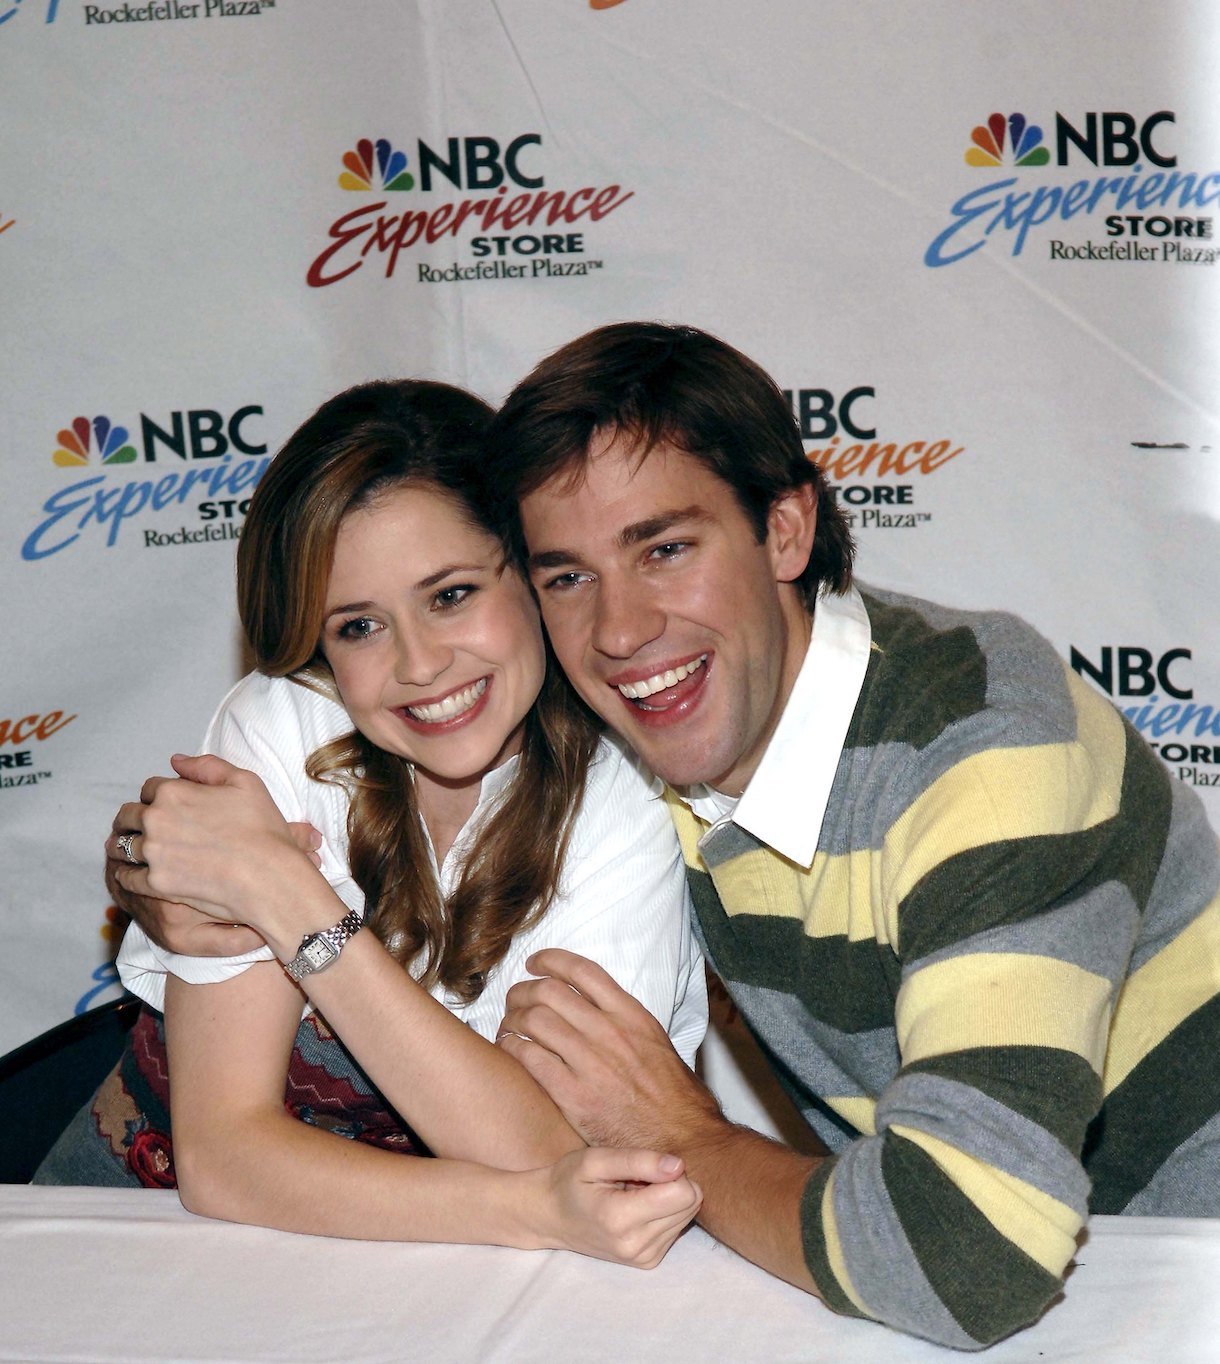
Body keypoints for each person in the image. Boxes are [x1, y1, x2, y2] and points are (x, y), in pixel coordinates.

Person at [474, 322, 1220, 1348]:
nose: (617, 627)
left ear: (784, 531)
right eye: (566, 576)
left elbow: (966, 1258)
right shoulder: (648, 744)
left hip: (1177, 1275)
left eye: (663, 548)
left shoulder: (981, 754)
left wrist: (683, 1132)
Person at [37, 377, 706, 1268]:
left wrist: (291, 898)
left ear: (534, 570)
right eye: (359, 626)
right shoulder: (280, 729)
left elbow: (568, 1161)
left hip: (444, 1275)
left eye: (452, 594)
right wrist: (531, 1209)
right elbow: (225, 1160)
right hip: (140, 1245)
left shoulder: (624, 793)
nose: (421, 665)